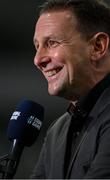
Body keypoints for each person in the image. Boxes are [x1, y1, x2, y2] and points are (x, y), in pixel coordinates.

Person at [30, 0, 110, 178]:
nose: (38, 60)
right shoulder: (57, 131)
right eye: (37, 46)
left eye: (52, 43)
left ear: (98, 47)